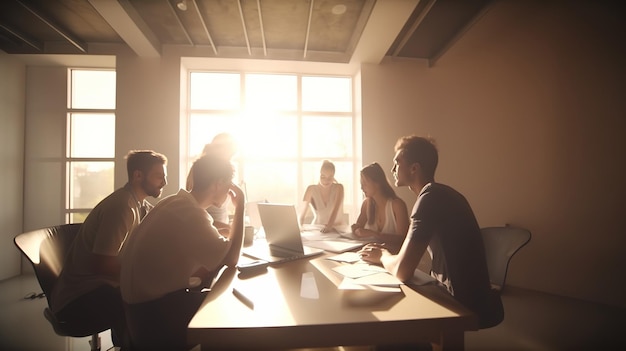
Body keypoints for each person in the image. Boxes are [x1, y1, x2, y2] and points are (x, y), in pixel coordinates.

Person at [358, 135, 503, 332]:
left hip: (462, 304)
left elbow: (402, 270)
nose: (392, 169)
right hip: (467, 295)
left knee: (384, 325)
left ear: (414, 168)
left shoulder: (429, 199)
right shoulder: (439, 194)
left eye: (397, 163)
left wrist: (382, 256)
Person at [120, 153, 246, 350]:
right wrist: (240, 207)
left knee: (217, 296)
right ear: (219, 183)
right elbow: (231, 258)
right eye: (229, 183)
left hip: (136, 315)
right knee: (229, 310)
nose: (231, 189)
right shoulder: (190, 214)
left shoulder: (176, 203)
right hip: (152, 319)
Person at [49, 150, 168, 348]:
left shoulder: (139, 204)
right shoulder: (122, 207)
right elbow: (102, 265)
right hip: (78, 298)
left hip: (100, 289)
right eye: (159, 177)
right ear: (138, 175)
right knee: (148, 302)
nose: (163, 183)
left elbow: (167, 221)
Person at [186, 132, 238, 235]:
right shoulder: (202, 171)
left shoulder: (223, 172)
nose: (229, 159)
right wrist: (228, 228)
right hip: (206, 230)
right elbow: (194, 214)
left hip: (218, 230)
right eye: (229, 153)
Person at [351, 162, 409, 247]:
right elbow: (358, 228)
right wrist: (355, 229)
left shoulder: (397, 205)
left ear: (377, 183)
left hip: (393, 256)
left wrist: (375, 234)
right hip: (370, 254)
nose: (361, 188)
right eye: (361, 184)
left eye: (364, 183)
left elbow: (403, 239)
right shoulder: (366, 204)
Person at [299, 160, 345, 233]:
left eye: (330, 177)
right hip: (318, 229)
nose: (326, 180)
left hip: (337, 229)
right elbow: (302, 213)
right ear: (318, 175)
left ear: (334, 176)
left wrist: (329, 226)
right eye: (323, 176)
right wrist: (300, 226)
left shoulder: (339, 188)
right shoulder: (310, 189)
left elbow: (335, 210)